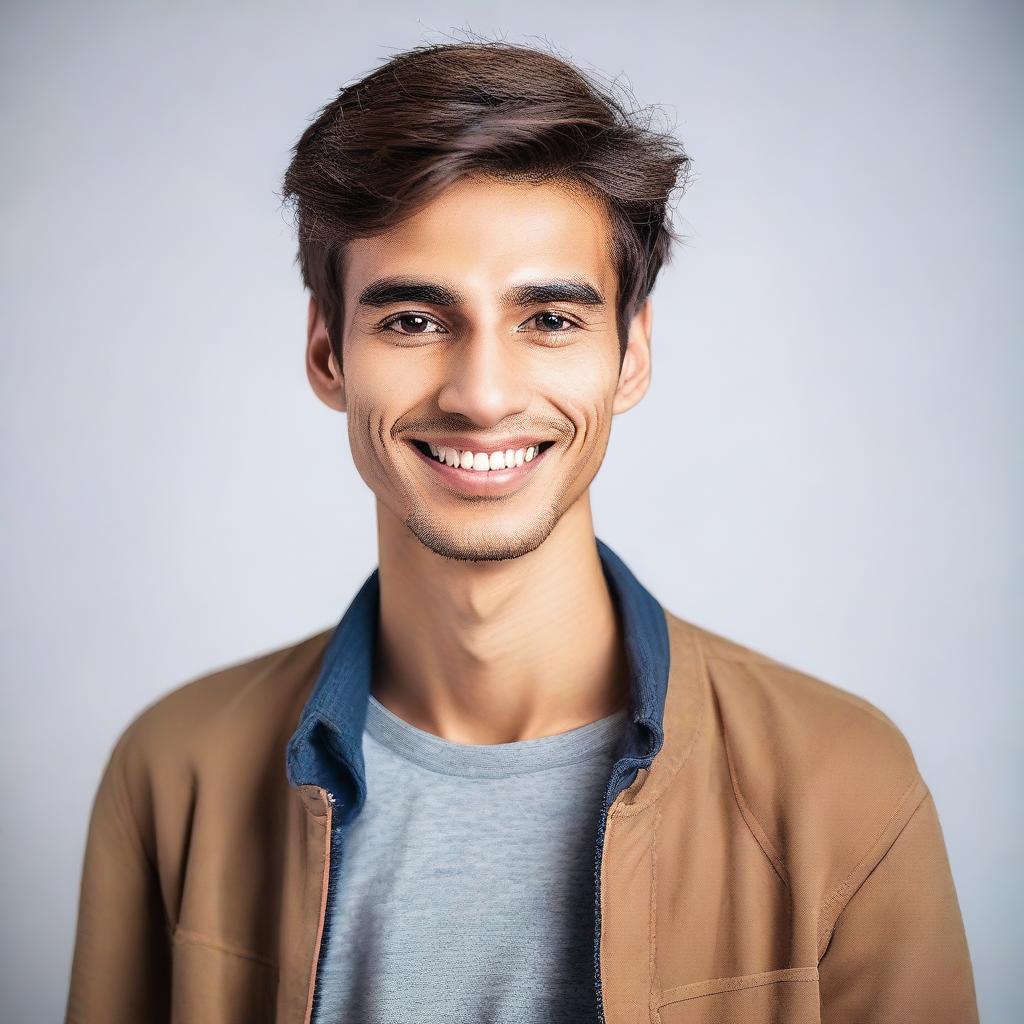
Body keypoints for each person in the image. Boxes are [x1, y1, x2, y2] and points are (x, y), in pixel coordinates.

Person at [64, 40, 979, 1024]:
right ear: (328, 353)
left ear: (630, 355)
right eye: (413, 320)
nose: (482, 394)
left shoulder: (842, 783)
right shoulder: (174, 774)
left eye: (548, 318)